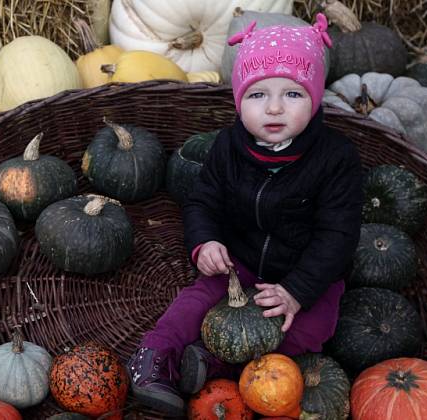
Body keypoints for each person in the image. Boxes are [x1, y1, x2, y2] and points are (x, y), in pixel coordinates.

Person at [126, 13, 363, 416]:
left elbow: (337, 235)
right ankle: (153, 357)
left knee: (312, 330)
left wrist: (298, 291)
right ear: (238, 100)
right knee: (196, 298)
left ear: (315, 97)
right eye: (257, 95)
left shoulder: (336, 158)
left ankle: (210, 363)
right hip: (241, 260)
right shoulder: (227, 146)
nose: (273, 108)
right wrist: (205, 243)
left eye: (292, 94)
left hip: (307, 275)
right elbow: (203, 201)